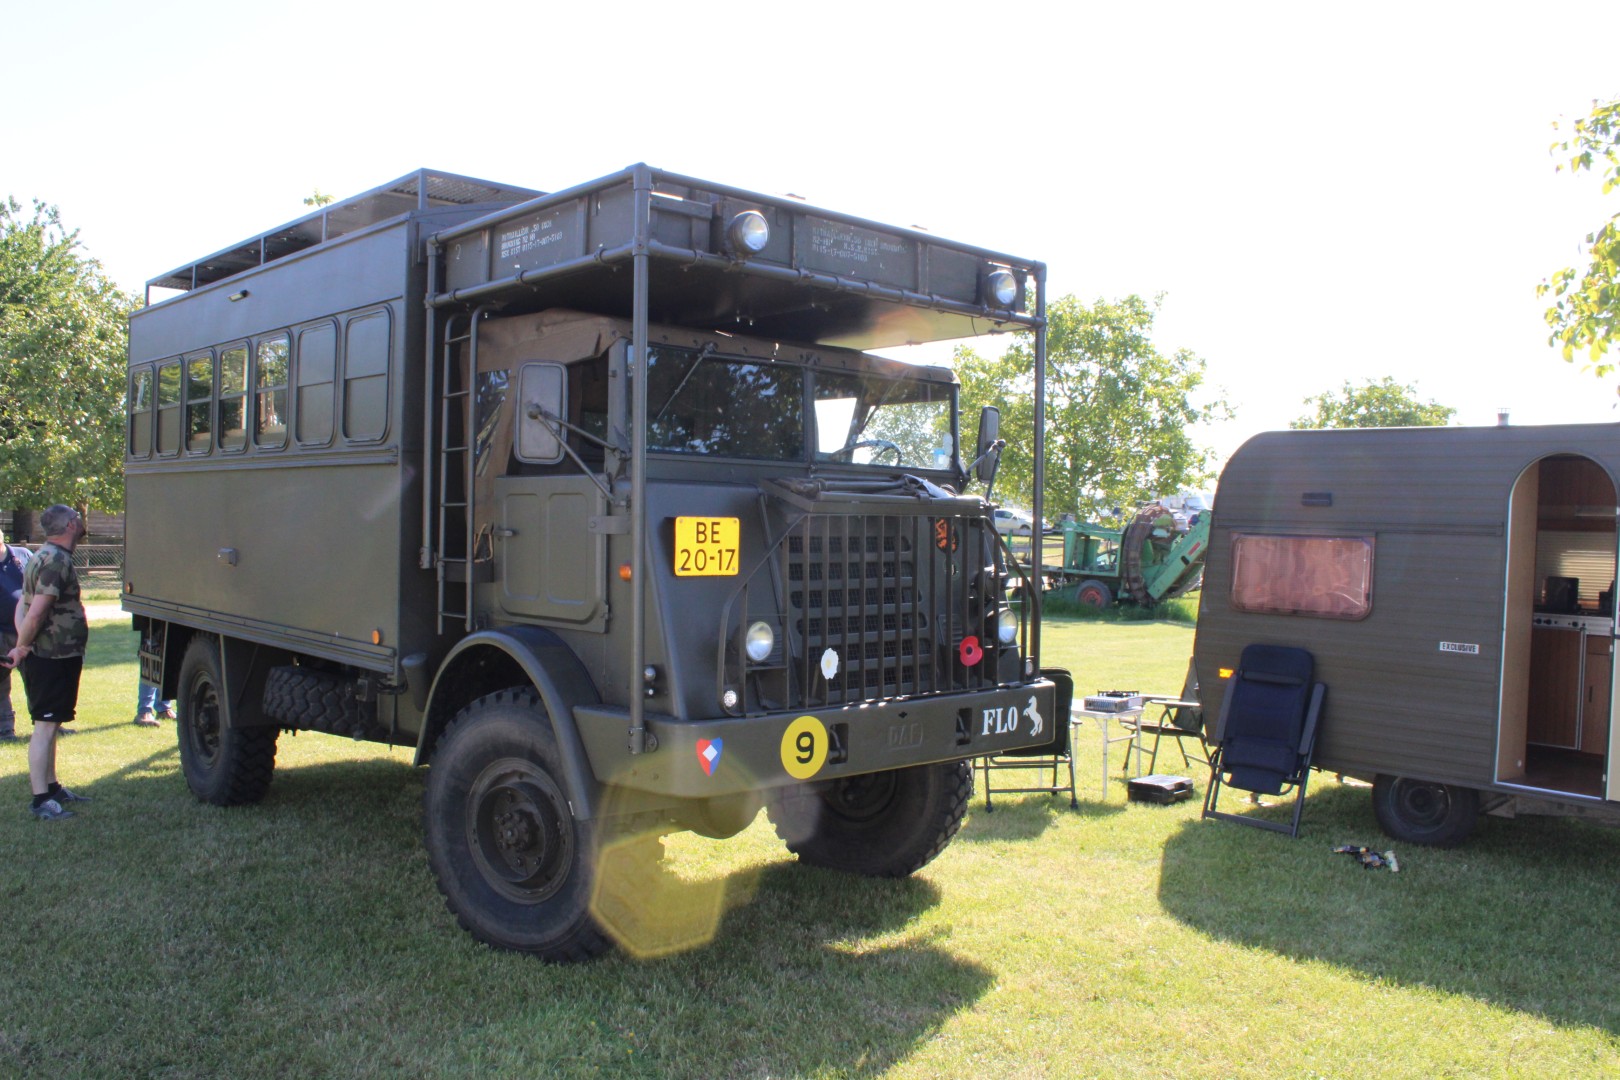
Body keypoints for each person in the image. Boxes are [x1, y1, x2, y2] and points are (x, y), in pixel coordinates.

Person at [3, 505, 93, 821]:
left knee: (52, 723)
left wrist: (22, 642)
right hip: (51, 656)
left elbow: (22, 605)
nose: (81, 521)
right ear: (69, 526)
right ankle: (41, 799)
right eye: (77, 518)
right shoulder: (55, 560)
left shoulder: (40, 555)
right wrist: (22, 647)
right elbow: (37, 611)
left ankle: (53, 787)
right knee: (44, 725)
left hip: (53, 654)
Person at [0, 529, 32, 741]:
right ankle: (5, 729)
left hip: (28, 631)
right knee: (1, 684)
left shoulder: (23, 556)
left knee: (37, 679)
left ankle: (47, 722)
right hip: (1, 633)